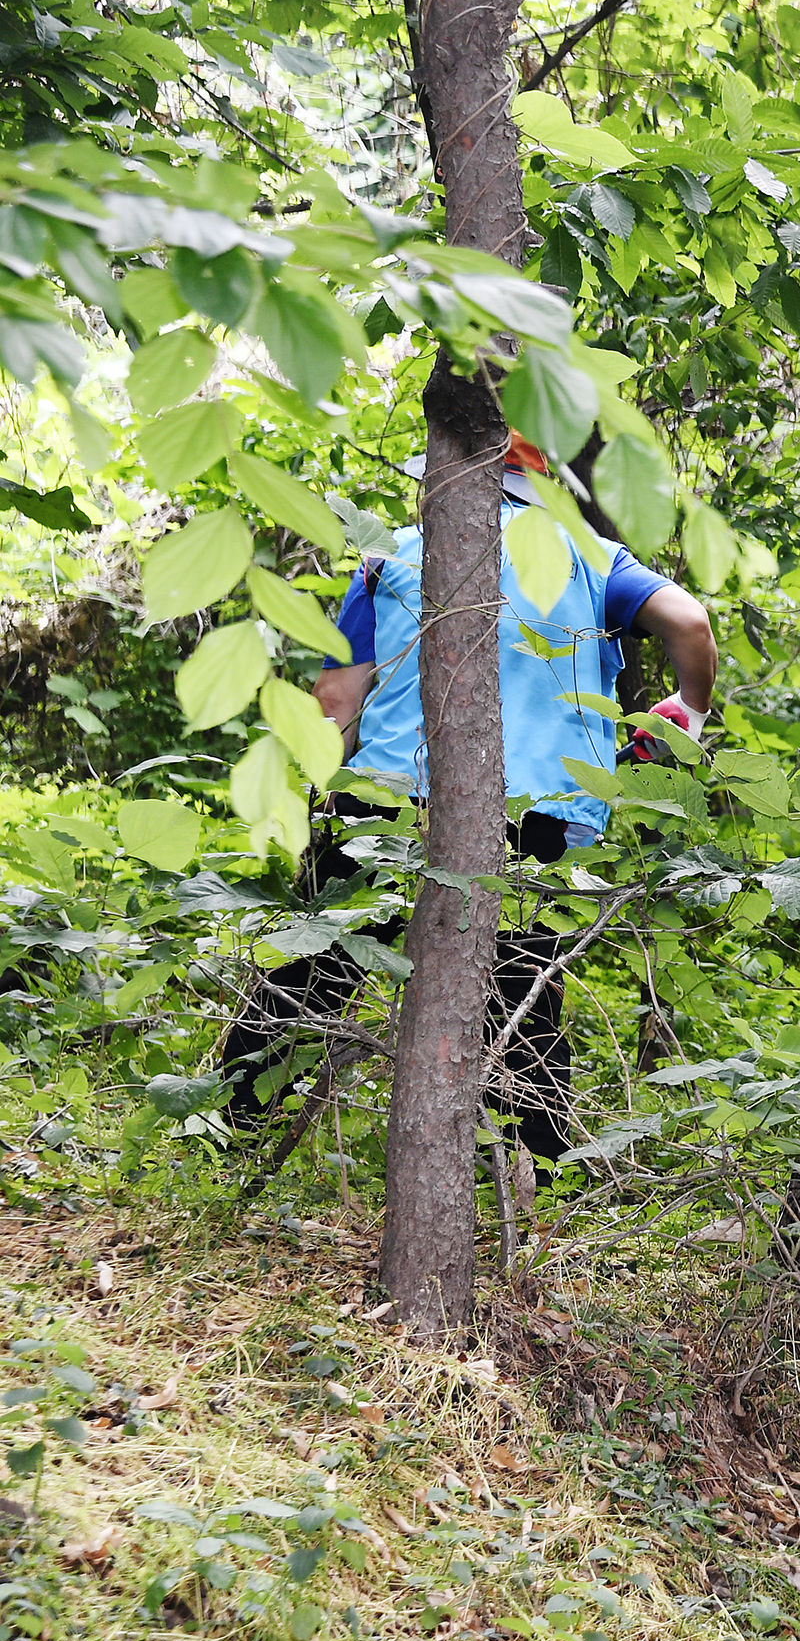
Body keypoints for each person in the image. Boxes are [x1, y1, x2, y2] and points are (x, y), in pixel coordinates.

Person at [222, 432, 718, 1163]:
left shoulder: (388, 558)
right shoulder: (587, 555)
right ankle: (534, 1167)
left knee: (314, 968)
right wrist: (690, 711)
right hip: (534, 812)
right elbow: (691, 623)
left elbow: (335, 700)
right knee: (521, 989)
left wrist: (326, 798)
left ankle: (233, 1125)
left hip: (390, 796)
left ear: (440, 484)